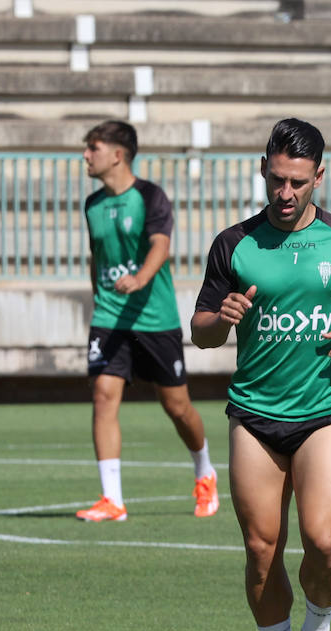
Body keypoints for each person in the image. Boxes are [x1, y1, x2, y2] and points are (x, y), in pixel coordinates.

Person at [191, 118, 331, 631]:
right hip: (253, 413)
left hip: (324, 410)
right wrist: (218, 318)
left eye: (297, 182)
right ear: (263, 170)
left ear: (318, 177)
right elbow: (200, 333)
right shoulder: (234, 243)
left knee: (323, 540)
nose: (285, 193)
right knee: (260, 548)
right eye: (276, 179)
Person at [76, 120, 217, 523]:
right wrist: (99, 299)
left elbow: (161, 245)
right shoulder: (92, 204)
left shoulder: (151, 197)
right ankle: (112, 499)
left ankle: (204, 472)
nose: (86, 155)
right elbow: (97, 256)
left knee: (176, 405)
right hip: (109, 317)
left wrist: (139, 278)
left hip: (154, 318)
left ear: (117, 154)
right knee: (103, 395)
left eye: (93, 147)